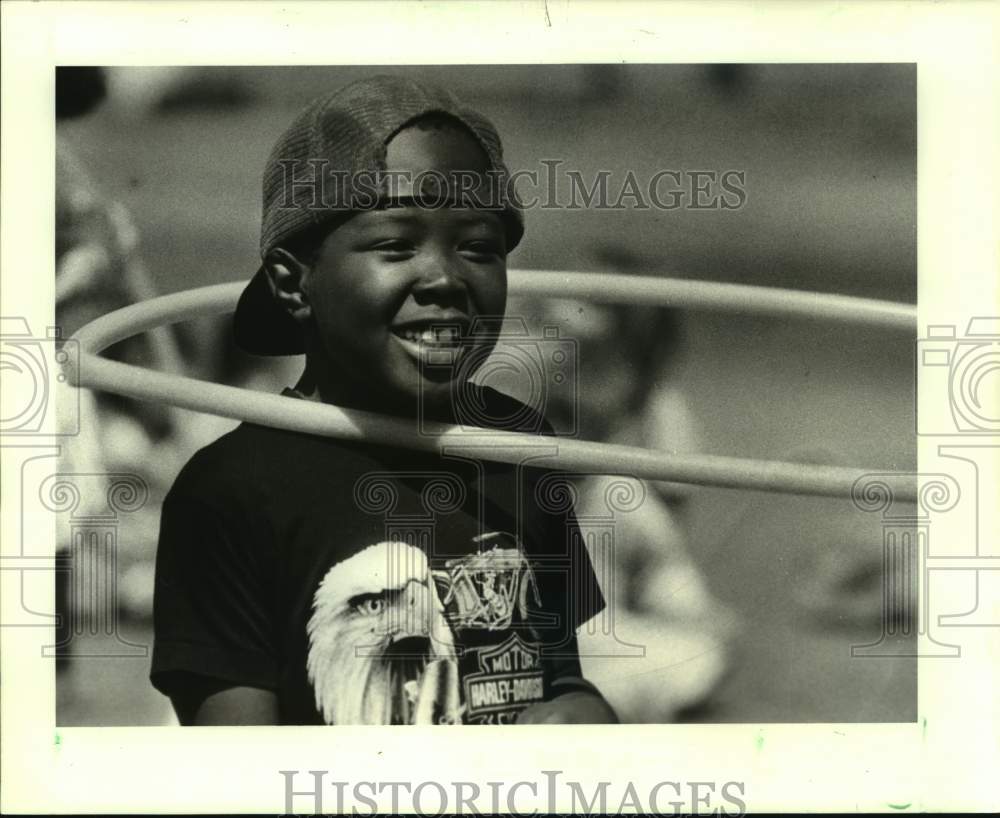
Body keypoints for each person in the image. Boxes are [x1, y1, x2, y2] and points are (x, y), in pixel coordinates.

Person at [150, 76, 617, 725]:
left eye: (479, 247)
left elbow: (558, 675)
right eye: (396, 245)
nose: (445, 278)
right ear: (292, 284)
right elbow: (236, 766)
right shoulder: (230, 491)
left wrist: (580, 715)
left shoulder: (516, 446)